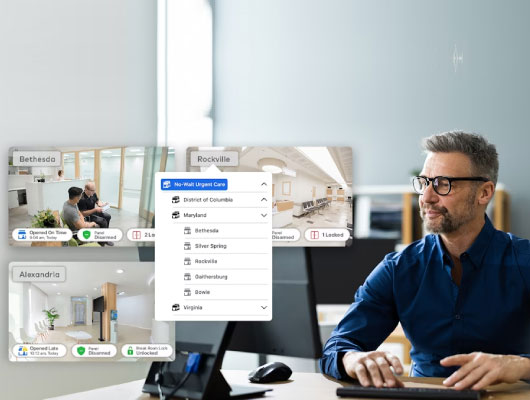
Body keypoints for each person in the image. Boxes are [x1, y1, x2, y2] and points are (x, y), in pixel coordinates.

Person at [320, 132, 530, 391]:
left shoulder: (524, 261)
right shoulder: (398, 268)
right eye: (424, 182)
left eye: (443, 184)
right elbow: (337, 348)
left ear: (484, 192)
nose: (427, 196)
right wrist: (353, 359)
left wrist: (520, 365)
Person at [78, 181, 114, 246]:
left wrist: (101, 204)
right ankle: (101, 243)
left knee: (108, 216)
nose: (94, 192)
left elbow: (97, 200)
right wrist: (95, 209)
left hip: (94, 212)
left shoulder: (93, 193)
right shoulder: (81, 199)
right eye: (92, 190)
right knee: (103, 221)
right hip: (87, 216)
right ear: (86, 189)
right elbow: (83, 213)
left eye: (94, 190)